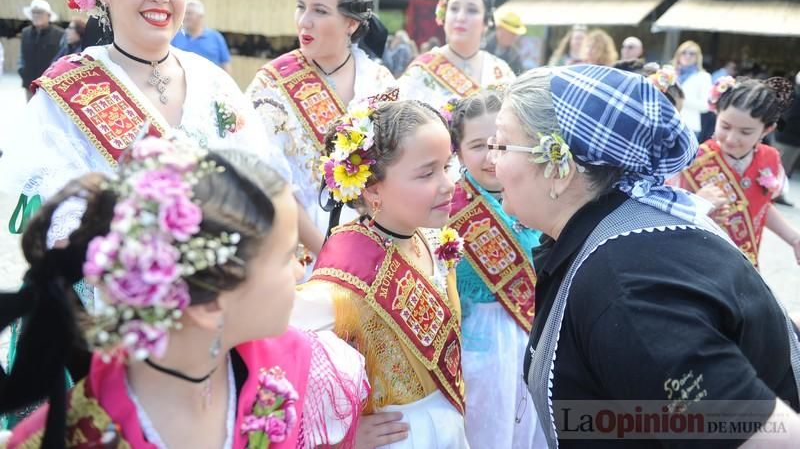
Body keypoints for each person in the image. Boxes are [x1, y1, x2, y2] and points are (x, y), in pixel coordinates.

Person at [2, 0, 287, 428]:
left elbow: (263, 180)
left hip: (219, 317)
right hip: (110, 323)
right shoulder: (69, 90)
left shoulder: (213, 82)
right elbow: (42, 201)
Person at [491, 65, 800, 447]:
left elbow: (770, 437)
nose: (492, 160)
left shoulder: (626, 290)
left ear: (560, 169)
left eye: (502, 144)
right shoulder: (627, 227)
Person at [0, 137, 368, 448]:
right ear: (210, 306)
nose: (301, 267)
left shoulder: (295, 358)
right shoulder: (74, 435)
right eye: (288, 256)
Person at [292, 100, 469, 448]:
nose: (448, 184)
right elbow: (274, 356)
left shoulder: (430, 238)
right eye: (427, 173)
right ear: (373, 189)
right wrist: (338, 438)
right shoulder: (341, 280)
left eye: (448, 166)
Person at [246, 0, 396, 259]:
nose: (305, 21)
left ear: (351, 23)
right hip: (300, 250)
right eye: (300, 7)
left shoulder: (381, 82)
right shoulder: (271, 85)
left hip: (375, 245)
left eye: (320, 11)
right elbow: (267, 181)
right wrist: (329, 253)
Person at [445, 92, 543, 449]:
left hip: (538, 336)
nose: (490, 157)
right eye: (476, 146)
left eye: (500, 145)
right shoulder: (446, 207)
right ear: (456, 150)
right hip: (480, 348)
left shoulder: (542, 194)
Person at [679, 75, 800, 268]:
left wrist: (794, 238)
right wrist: (697, 204)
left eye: (745, 132)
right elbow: (671, 213)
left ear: (767, 129)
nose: (731, 138)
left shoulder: (770, 158)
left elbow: (761, 206)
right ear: (716, 114)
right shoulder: (694, 160)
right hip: (699, 263)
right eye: (725, 126)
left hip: (744, 264)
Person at [399, 0, 515, 112]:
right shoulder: (422, 71)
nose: (460, 17)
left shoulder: (500, 71)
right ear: (444, 16)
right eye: (454, 8)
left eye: (472, 10)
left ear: (486, 21)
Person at [18, 0, 64, 101]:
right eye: (33, 13)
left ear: (48, 15)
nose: (36, 15)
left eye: (39, 13)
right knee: (31, 113)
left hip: (50, 86)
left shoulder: (59, 34)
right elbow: (21, 57)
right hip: (29, 83)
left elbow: (63, 59)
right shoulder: (25, 33)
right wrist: (22, 71)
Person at [171, 0, 233, 73]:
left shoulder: (216, 37)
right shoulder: (174, 37)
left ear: (200, 16)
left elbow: (225, 63)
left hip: (210, 83)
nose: (185, 17)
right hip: (182, 83)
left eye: (189, 13)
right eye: (184, 13)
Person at [672, 40, 713, 141]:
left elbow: (706, 106)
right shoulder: (669, 72)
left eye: (692, 53)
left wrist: (680, 100)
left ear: (697, 57)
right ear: (678, 54)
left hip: (689, 127)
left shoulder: (703, 76)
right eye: (684, 52)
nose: (687, 56)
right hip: (666, 123)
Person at [774, 71, 800, 207]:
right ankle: (776, 194)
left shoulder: (793, 93)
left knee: (784, 168)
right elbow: (791, 117)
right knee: (782, 168)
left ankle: (778, 194)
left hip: (788, 137)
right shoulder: (797, 95)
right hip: (788, 138)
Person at [484, 10, 526, 75]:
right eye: (511, 33)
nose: (514, 38)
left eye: (515, 35)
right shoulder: (482, 46)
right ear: (499, 30)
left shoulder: (514, 56)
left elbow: (520, 77)